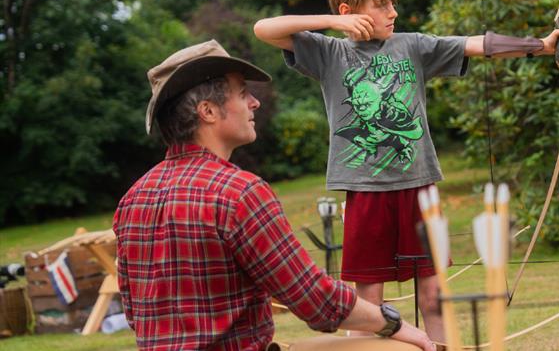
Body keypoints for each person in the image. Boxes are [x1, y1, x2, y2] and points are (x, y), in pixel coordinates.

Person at [253, 0, 559, 341]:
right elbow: (264, 29)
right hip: (365, 190)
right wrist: (332, 23)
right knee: (368, 301)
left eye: (393, 4)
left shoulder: (413, 45)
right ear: (348, 11)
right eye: (381, 5)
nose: (393, 12)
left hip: (420, 186)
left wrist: (540, 46)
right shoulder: (329, 53)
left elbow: (475, 44)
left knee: (434, 292)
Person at [113, 39, 433, 351]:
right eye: (242, 93)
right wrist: (394, 324)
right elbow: (316, 300)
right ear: (208, 111)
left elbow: (134, 312)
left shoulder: (131, 200)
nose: (255, 102)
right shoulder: (239, 193)